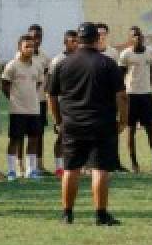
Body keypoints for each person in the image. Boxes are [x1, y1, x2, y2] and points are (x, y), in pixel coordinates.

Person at [47, 22, 126, 225]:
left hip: (72, 124)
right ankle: (100, 214)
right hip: (102, 123)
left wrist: (58, 121)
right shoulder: (108, 63)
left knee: (70, 169)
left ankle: (67, 213)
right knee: (99, 170)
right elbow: (121, 96)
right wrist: (123, 120)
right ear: (97, 39)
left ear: (79, 40)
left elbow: (51, 96)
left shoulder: (62, 64)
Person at [119, 26, 152, 173]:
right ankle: (134, 164)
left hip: (146, 95)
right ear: (130, 39)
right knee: (130, 130)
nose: (137, 38)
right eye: (134, 36)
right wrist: (122, 96)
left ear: (143, 37)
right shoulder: (125, 54)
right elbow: (120, 78)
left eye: (139, 35)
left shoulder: (151, 52)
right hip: (130, 96)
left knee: (151, 130)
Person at [2, 34, 46, 180]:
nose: (30, 49)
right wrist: (14, 98)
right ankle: (11, 170)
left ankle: (31, 170)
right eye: (27, 46)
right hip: (17, 109)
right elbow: (5, 85)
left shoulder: (38, 65)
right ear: (19, 48)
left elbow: (39, 83)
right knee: (15, 139)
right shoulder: (12, 65)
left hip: (34, 109)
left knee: (33, 139)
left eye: (32, 46)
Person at [48, 29, 79, 176]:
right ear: (65, 42)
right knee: (62, 135)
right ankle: (59, 167)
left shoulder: (81, 58)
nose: (75, 44)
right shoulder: (57, 60)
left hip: (79, 103)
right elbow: (51, 89)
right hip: (63, 103)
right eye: (71, 41)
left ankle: (79, 165)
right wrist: (56, 118)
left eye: (77, 41)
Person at [26, 24, 51, 176]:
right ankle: (21, 166)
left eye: (39, 37)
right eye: (33, 37)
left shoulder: (45, 57)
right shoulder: (21, 55)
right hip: (24, 102)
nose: (36, 40)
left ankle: (39, 165)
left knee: (39, 133)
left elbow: (47, 77)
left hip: (40, 101)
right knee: (23, 135)